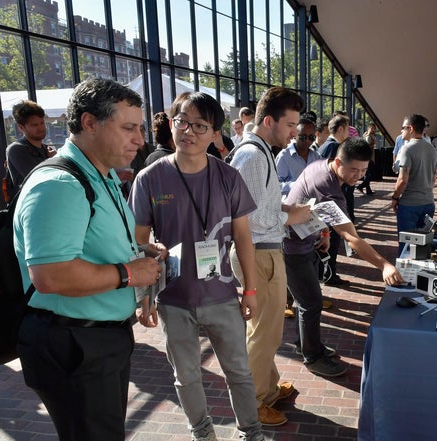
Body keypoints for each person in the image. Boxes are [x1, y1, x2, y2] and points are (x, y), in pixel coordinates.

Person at [13, 78, 166, 441]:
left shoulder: (102, 176)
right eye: (128, 127)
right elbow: (50, 276)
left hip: (95, 338)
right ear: (89, 123)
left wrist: (138, 254)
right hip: (72, 342)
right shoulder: (60, 185)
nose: (139, 139)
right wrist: (129, 273)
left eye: (140, 128)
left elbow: (91, 246)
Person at [130, 92, 264, 441]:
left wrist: (249, 288)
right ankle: (202, 433)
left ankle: (251, 432)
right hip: (174, 299)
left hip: (221, 295)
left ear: (214, 133)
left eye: (200, 125)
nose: (188, 131)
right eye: (182, 121)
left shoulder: (228, 177)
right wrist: (144, 297)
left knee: (239, 372)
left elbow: (243, 238)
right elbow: (137, 243)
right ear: (171, 123)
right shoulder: (150, 178)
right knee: (186, 376)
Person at [284, 137, 405, 376]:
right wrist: (384, 265)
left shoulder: (321, 164)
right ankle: (312, 356)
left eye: (363, 170)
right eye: (353, 170)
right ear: (338, 161)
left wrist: (325, 231)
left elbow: (312, 204)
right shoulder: (328, 188)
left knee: (305, 300)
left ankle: (306, 344)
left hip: (304, 240)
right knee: (311, 302)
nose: (358, 176)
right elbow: (351, 237)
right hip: (290, 247)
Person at [229, 86, 312, 426]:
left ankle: (267, 387)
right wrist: (291, 216)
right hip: (258, 254)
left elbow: (258, 205)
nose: (296, 132)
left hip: (264, 252)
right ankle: (252, 403)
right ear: (268, 121)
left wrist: (288, 209)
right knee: (263, 332)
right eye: (291, 125)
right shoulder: (252, 156)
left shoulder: (259, 152)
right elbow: (245, 218)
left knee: (269, 329)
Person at [391, 113, 437, 255]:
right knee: (422, 245)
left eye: (403, 128)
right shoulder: (432, 149)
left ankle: (404, 276)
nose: (401, 131)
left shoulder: (407, 149)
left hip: (410, 204)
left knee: (405, 245)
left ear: (410, 128)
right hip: (429, 201)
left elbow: (402, 179)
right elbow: (433, 178)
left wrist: (395, 197)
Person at [315, 114, 352, 286]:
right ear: (340, 129)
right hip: (330, 203)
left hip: (324, 202)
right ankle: (329, 274)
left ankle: (327, 273)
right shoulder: (334, 148)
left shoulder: (324, 146)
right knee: (332, 239)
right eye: (347, 128)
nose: (349, 133)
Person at [5, 100, 56, 196]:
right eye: (34, 125)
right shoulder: (16, 149)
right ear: (21, 127)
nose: (41, 128)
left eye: (42, 123)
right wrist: (55, 160)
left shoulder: (46, 149)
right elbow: (42, 179)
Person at [275, 117, 321, 196]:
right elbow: (275, 186)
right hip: (291, 205)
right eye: (303, 137)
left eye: (311, 137)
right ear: (295, 135)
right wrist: (296, 185)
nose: (307, 140)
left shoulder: (317, 157)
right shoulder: (284, 156)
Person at [357, 123, 377, 195]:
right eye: (372, 128)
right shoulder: (368, 136)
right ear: (368, 128)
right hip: (368, 158)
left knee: (368, 174)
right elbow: (367, 147)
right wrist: (373, 143)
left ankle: (368, 190)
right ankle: (360, 186)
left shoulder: (371, 135)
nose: (373, 130)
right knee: (369, 174)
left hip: (369, 157)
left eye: (374, 128)